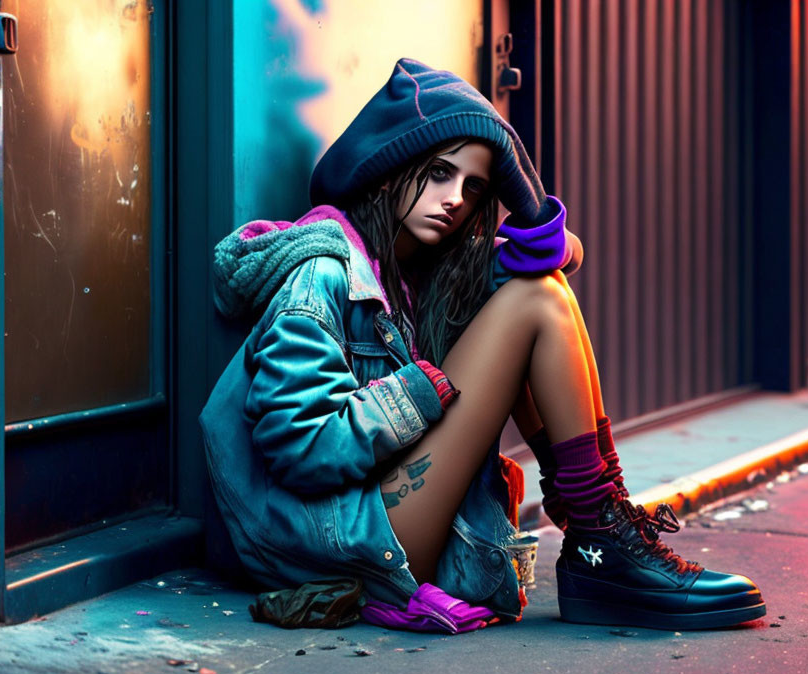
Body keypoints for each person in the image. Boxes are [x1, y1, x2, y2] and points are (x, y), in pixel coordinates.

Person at [200, 58, 765, 632]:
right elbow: (302, 448)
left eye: (473, 188)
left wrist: (526, 212)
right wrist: (413, 395)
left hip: (373, 518)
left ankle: (599, 526)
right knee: (533, 301)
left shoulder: (421, 277)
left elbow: (549, 253)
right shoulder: (322, 274)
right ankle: (600, 536)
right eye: (440, 173)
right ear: (392, 169)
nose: (455, 199)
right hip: (328, 533)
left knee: (541, 290)